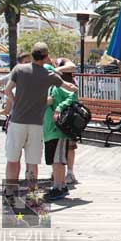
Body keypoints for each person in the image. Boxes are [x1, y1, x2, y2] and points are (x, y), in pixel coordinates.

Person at [3, 43, 77, 200]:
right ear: (45, 56)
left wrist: (16, 103)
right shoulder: (47, 74)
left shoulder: (19, 69)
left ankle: (10, 191)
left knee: (12, 159)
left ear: (32, 54)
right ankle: (31, 193)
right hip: (36, 124)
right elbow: (67, 86)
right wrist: (74, 89)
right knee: (32, 162)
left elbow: (7, 90)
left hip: (17, 121)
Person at [42, 64, 77, 201]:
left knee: (58, 160)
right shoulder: (45, 89)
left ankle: (59, 187)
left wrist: (59, 107)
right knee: (54, 160)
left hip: (57, 130)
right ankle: (59, 185)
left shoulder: (58, 87)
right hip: (49, 130)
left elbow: (74, 95)